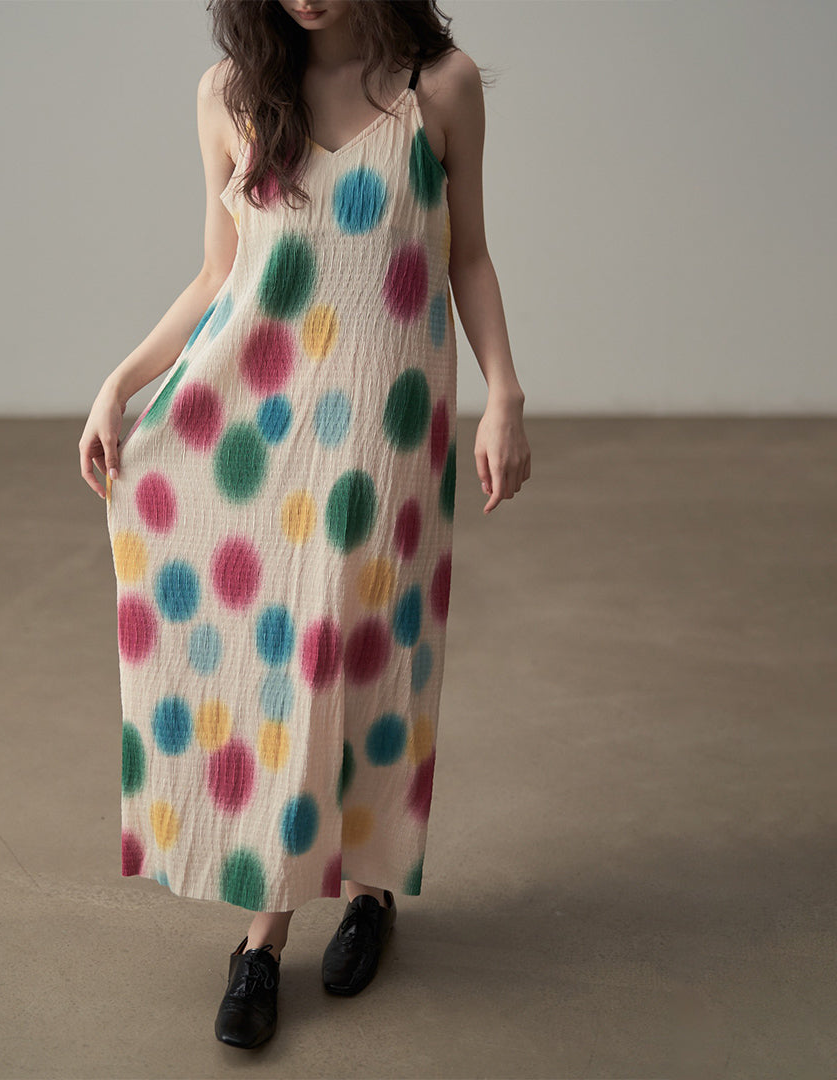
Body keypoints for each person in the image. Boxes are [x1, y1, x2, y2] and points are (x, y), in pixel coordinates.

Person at [79, 0, 530, 1049]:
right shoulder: (232, 97)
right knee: (280, 666)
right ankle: (265, 932)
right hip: (261, 432)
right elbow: (219, 275)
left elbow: (467, 256)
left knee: (371, 653)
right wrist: (122, 382)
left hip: (385, 428)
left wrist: (505, 393)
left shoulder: (439, 88)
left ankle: (369, 889)